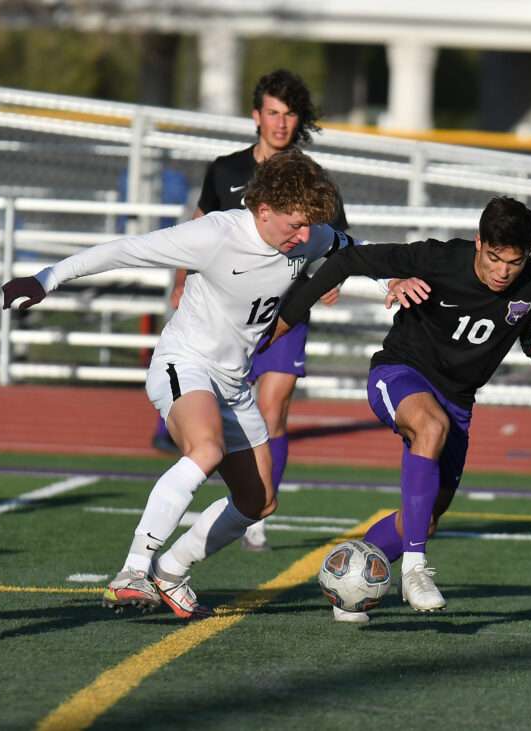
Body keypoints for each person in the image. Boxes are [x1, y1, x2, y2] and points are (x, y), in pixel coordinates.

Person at [2, 149, 353, 619]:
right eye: (295, 225)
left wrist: (388, 278)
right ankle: (132, 571)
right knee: (204, 451)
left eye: (309, 226)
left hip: (235, 383)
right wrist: (48, 278)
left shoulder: (307, 235)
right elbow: (125, 250)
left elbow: (353, 250)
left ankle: (170, 570)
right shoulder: (215, 234)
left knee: (259, 501)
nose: (305, 236)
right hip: (184, 363)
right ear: (262, 210)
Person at [265, 196, 531, 623]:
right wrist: (284, 322)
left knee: (424, 519)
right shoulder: (439, 258)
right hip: (400, 373)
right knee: (430, 426)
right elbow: (348, 259)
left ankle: (352, 576)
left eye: (513, 263)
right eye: (494, 258)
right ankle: (415, 570)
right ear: (479, 242)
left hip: (458, 402)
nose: (502, 272)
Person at [161, 68, 349, 552]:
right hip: (225, 322)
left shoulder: (311, 180)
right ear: (256, 116)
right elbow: (198, 229)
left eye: (290, 115)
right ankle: (229, 502)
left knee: (273, 410)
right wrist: (182, 283)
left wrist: (333, 278)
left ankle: (258, 513)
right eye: (272, 112)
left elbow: (336, 245)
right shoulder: (225, 170)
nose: (281, 123)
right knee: (219, 420)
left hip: (285, 317)